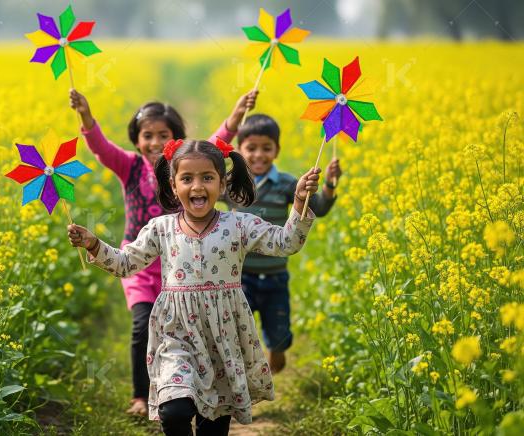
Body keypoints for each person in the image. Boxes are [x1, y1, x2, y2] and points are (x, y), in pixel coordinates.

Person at [67, 138, 320, 434]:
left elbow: (286, 242)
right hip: (176, 335)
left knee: (213, 426)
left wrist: (300, 202)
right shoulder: (160, 229)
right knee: (173, 411)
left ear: (222, 185)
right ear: (174, 186)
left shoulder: (239, 225)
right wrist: (94, 244)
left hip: (222, 338)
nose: (197, 187)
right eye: (187, 178)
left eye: (207, 178)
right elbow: (125, 264)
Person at [69, 89, 256, 416]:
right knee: (142, 326)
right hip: (140, 263)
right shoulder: (128, 166)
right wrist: (85, 115)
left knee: (183, 330)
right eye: (147, 135)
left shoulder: (185, 167)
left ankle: (192, 386)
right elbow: (100, 148)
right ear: (136, 139)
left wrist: (236, 115)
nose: (155, 142)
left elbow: (215, 144)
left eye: (163, 135)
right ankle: (141, 395)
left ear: (175, 138)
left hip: (182, 260)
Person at [233, 114, 342, 373]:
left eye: (266, 148)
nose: (259, 155)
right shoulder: (232, 182)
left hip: (275, 276)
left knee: (279, 335)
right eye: (251, 148)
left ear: (277, 150)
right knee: (236, 333)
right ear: (239, 150)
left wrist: (328, 184)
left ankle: (276, 349)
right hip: (240, 276)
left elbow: (319, 209)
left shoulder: (286, 184)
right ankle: (243, 377)